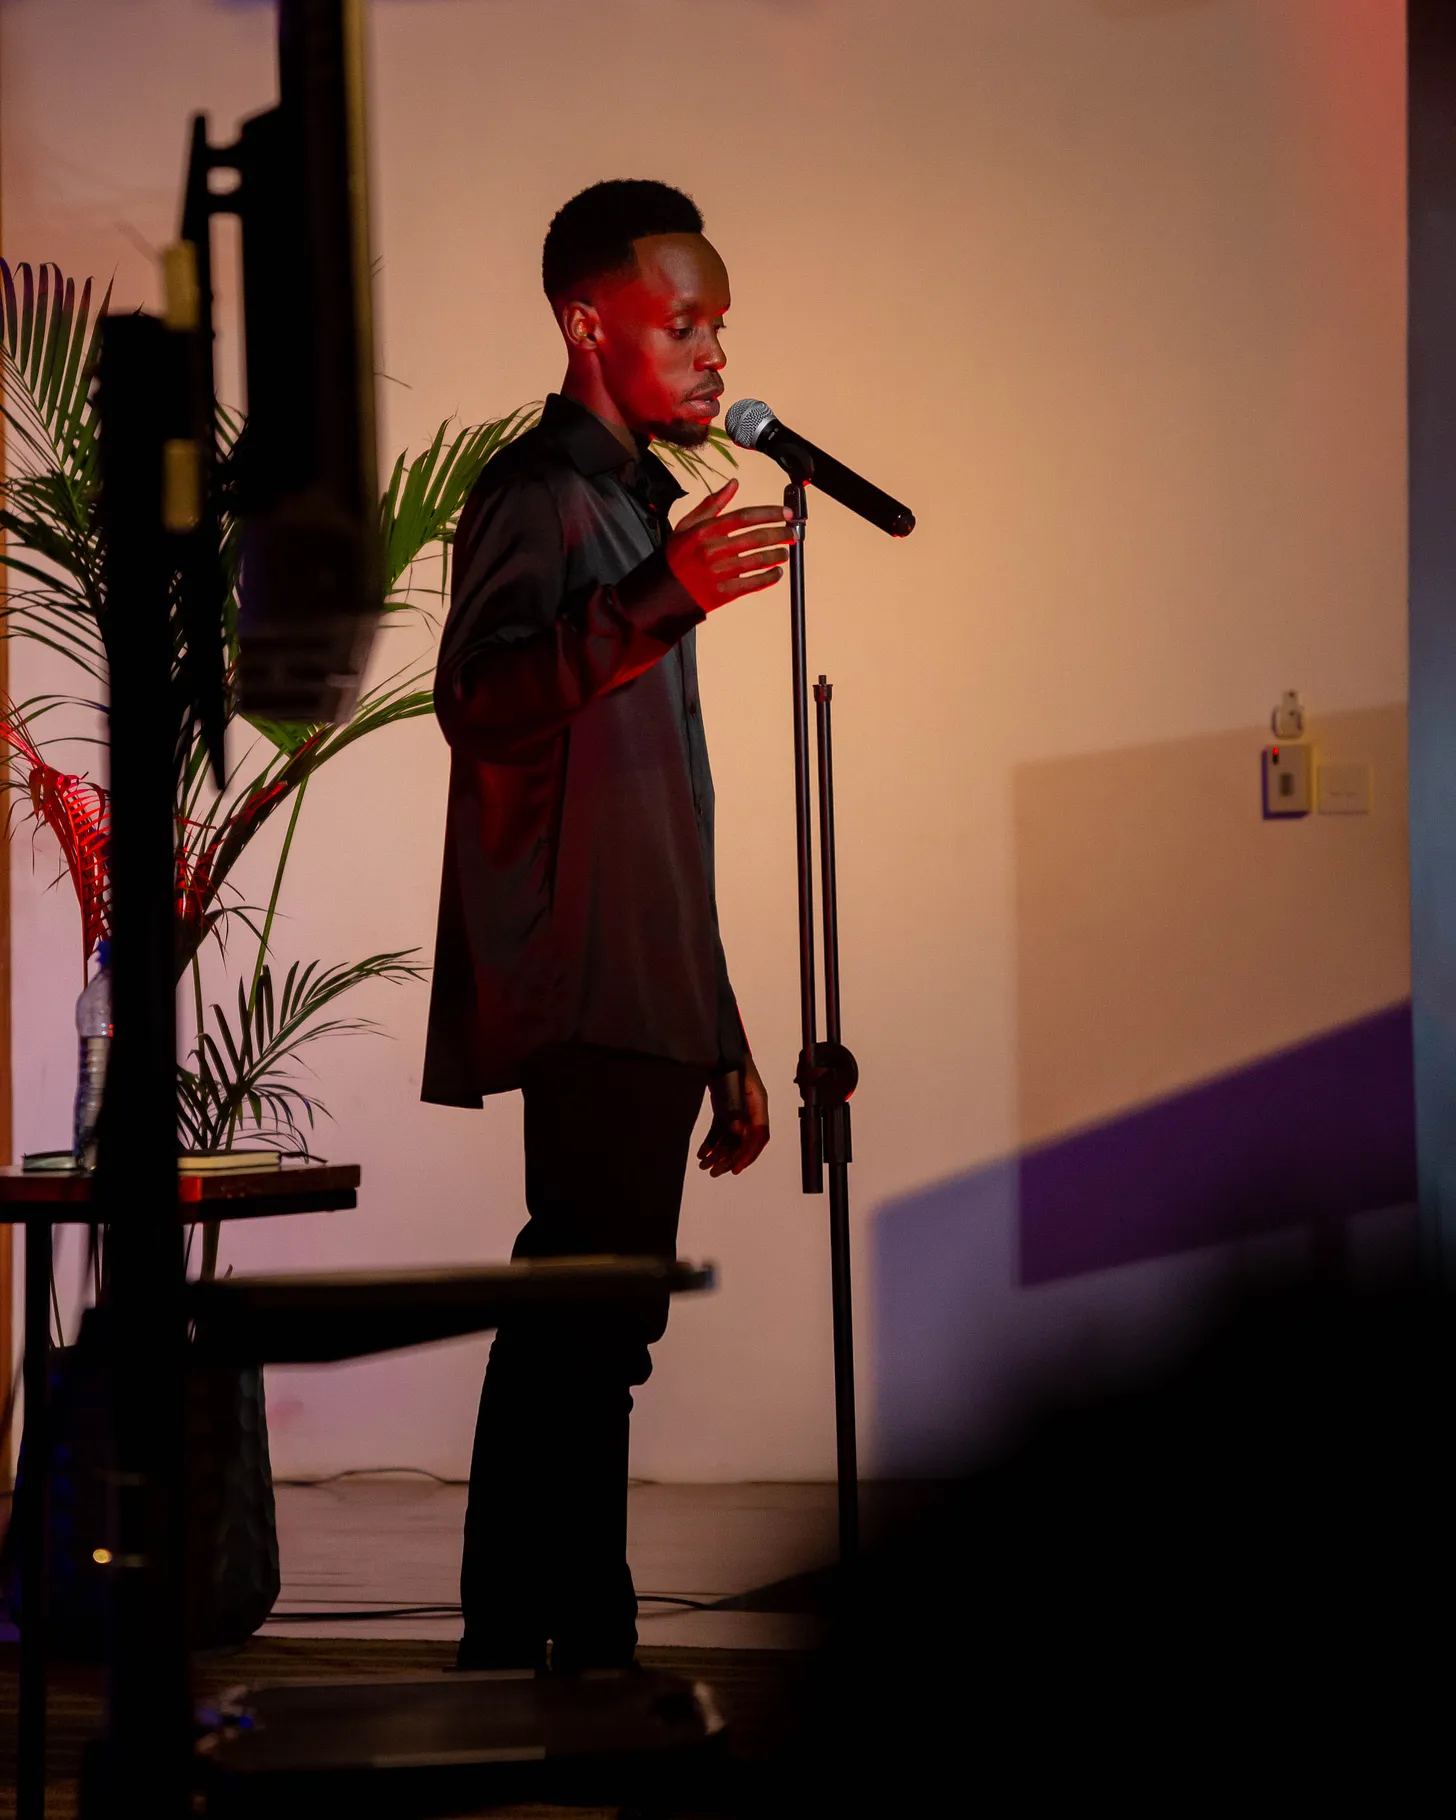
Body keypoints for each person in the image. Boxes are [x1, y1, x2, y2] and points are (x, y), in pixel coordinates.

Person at [423, 180, 785, 1672]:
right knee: (587, 1310)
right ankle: (561, 1634)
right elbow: (477, 699)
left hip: (646, 970)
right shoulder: (538, 494)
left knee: (592, 1313)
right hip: (579, 967)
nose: (712, 354)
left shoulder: (636, 503)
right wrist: (657, 598)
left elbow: (669, 804)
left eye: (719, 327)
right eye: (681, 323)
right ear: (589, 324)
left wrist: (723, 1026)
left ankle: (542, 1627)